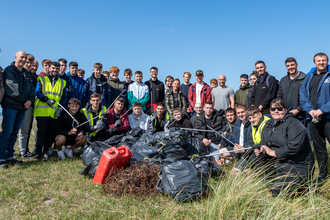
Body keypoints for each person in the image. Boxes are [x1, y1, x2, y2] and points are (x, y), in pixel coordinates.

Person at [254, 99, 314, 196]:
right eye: (273, 109)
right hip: (281, 162)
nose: (276, 111)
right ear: (270, 111)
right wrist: (261, 149)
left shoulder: (294, 124)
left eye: (280, 108)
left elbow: (294, 147)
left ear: (285, 110)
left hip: (298, 164)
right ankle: (274, 184)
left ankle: (305, 187)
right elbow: (264, 143)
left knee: (278, 193)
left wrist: (273, 153)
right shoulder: (268, 125)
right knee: (255, 163)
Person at [0, 51, 35, 168]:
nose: (24, 59)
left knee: (14, 133)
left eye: (25, 57)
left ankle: (10, 155)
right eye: (21, 57)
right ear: (15, 57)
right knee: (7, 132)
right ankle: (1, 157)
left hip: (22, 107)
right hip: (11, 106)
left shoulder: (26, 73)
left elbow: (31, 89)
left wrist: (30, 100)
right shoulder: (9, 70)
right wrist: (24, 101)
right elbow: (12, 89)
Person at [300, 52, 330, 182]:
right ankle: (323, 174)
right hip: (313, 118)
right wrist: (310, 110)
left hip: (328, 117)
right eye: (318, 60)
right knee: (319, 148)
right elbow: (302, 93)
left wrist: (322, 110)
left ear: (327, 61)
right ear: (314, 63)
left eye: (324, 60)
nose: (321, 62)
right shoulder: (310, 76)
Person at [34, 61, 67, 160]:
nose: (55, 70)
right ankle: (39, 152)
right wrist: (46, 99)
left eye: (57, 68)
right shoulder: (42, 79)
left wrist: (60, 108)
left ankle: (46, 151)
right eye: (53, 68)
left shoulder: (63, 82)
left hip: (54, 112)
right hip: (42, 112)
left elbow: (64, 97)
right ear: (49, 68)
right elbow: (37, 92)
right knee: (41, 133)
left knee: (50, 133)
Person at [231, 105, 270, 172]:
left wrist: (244, 149)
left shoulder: (267, 124)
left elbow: (266, 142)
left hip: (265, 154)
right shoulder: (252, 125)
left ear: (260, 115)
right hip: (253, 151)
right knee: (234, 170)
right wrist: (246, 148)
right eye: (250, 118)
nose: (252, 120)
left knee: (245, 171)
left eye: (254, 117)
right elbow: (249, 141)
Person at [18, 54, 38, 158]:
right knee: (17, 130)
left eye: (31, 63)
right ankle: (21, 151)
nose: (29, 65)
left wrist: (30, 101)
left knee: (26, 129)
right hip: (19, 105)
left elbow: (32, 91)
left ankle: (24, 151)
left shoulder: (30, 76)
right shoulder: (19, 73)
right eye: (28, 63)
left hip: (29, 105)